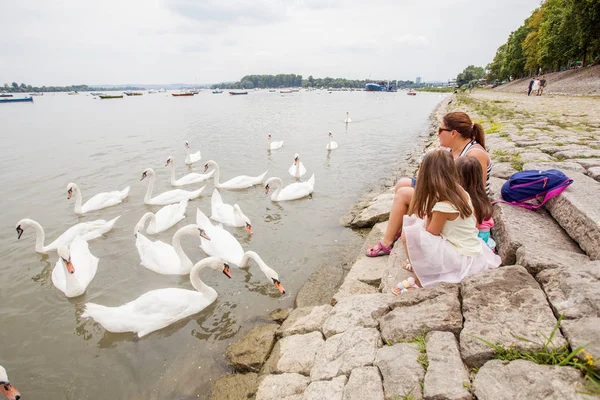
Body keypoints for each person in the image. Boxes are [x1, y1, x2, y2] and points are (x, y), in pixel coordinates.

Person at [366, 112, 492, 257]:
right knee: (403, 183)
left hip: (460, 202)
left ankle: (388, 242)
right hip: (451, 194)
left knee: (402, 194)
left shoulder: (474, 155)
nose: (438, 134)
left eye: (441, 130)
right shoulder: (454, 149)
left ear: (453, 133)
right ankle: (398, 228)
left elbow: (474, 191)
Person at [391, 150, 501, 295]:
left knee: (409, 234)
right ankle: (418, 267)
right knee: (417, 223)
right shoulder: (459, 191)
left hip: (461, 256)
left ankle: (419, 281)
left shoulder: (444, 207)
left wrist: (428, 215)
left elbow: (431, 235)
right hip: (469, 248)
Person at [455, 156, 496, 251]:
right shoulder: (481, 196)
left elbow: (474, 228)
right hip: (484, 235)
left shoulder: (470, 202)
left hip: (478, 239)